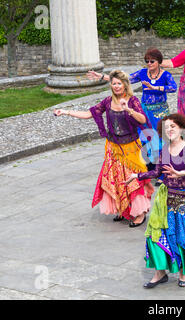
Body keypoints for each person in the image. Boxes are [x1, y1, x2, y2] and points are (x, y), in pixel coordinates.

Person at [125, 113, 185, 288]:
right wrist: (136, 175)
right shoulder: (163, 150)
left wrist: (181, 172)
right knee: (155, 235)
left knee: (182, 237)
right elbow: (156, 173)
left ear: (181, 128)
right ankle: (160, 273)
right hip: (165, 199)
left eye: (172, 126)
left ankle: (183, 273)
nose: (169, 130)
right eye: (166, 128)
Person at [54, 70, 154, 227]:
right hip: (113, 148)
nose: (116, 86)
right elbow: (89, 114)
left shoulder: (133, 100)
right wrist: (66, 112)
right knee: (116, 179)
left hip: (130, 148)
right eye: (113, 83)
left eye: (119, 83)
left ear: (125, 85)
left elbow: (142, 119)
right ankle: (122, 209)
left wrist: (128, 109)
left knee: (133, 180)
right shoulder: (108, 101)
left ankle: (140, 214)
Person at [88, 48, 178, 181]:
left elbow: (173, 87)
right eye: (147, 61)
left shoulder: (165, 75)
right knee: (145, 139)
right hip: (145, 111)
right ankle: (150, 169)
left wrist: (156, 88)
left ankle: (163, 173)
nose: (149, 63)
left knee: (161, 140)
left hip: (160, 112)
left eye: (152, 61)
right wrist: (102, 77)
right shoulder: (142, 73)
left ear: (159, 62)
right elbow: (124, 80)